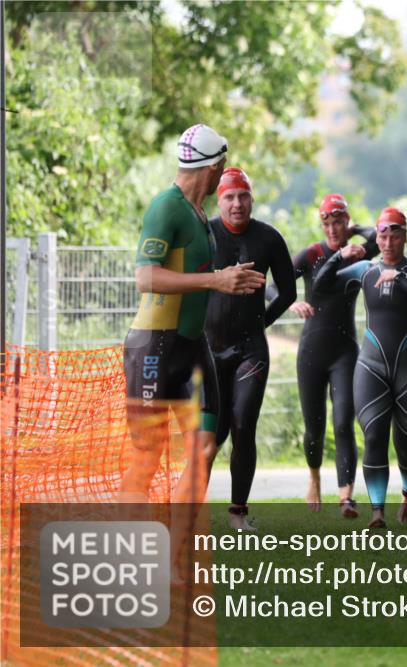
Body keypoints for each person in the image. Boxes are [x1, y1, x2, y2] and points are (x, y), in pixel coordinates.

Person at [120, 124, 265, 565]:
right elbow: (145, 277)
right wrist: (216, 280)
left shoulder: (197, 211)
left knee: (203, 447)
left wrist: (225, 286)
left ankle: (173, 556)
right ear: (216, 167)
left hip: (190, 347)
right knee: (148, 458)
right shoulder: (167, 208)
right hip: (153, 348)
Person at [316, 207, 407, 528]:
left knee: (406, 442)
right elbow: (321, 284)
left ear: (404, 236)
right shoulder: (364, 270)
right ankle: (377, 512)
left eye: (394, 235)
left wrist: (399, 276)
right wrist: (339, 255)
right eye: (382, 235)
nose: (387, 242)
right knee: (373, 437)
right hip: (370, 366)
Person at [205, 167, 295, 531]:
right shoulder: (205, 234)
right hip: (210, 350)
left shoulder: (269, 238)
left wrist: (262, 323)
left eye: (243, 196)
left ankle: (238, 513)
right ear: (219, 200)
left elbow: (287, 292)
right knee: (211, 432)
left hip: (249, 351)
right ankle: (191, 513)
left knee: (243, 425)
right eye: (229, 197)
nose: (237, 204)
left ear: (252, 199)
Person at [285, 194, 378, 516]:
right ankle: (313, 478)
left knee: (343, 423)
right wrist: (289, 302)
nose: (333, 228)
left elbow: (378, 237)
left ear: (346, 221)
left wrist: (355, 231)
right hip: (311, 350)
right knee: (314, 427)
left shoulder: (358, 252)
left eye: (339, 222)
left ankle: (346, 498)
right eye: (327, 222)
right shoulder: (312, 254)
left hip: (345, 350)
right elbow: (275, 284)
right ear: (321, 224)